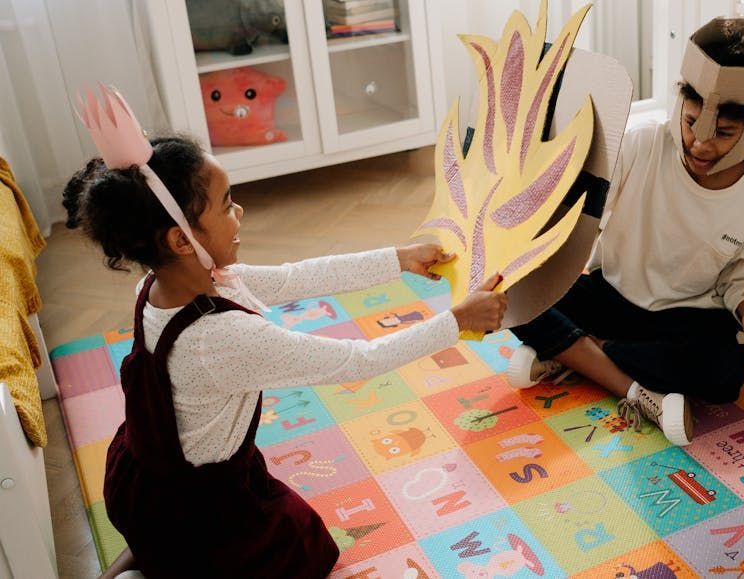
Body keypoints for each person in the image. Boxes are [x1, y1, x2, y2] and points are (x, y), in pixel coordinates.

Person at [70, 87, 506, 578]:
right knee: (304, 549)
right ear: (180, 238)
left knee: (259, 528)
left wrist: (400, 259)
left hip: (143, 476)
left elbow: (296, 277)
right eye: (226, 205)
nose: (239, 213)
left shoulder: (160, 285)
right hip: (199, 506)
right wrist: (458, 321)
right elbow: (359, 362)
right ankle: (163, 559)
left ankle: (151, 553)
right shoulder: (222, 338)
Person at [505, 17, 744, 446]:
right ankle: (633, 387)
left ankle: (575, 353)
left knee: (725, 375)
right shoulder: (641, 146)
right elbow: (580, 212)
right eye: (690, 122)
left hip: (684, 318)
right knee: (511, 290)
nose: (699, 143)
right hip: (610, 296)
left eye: (723, 134)